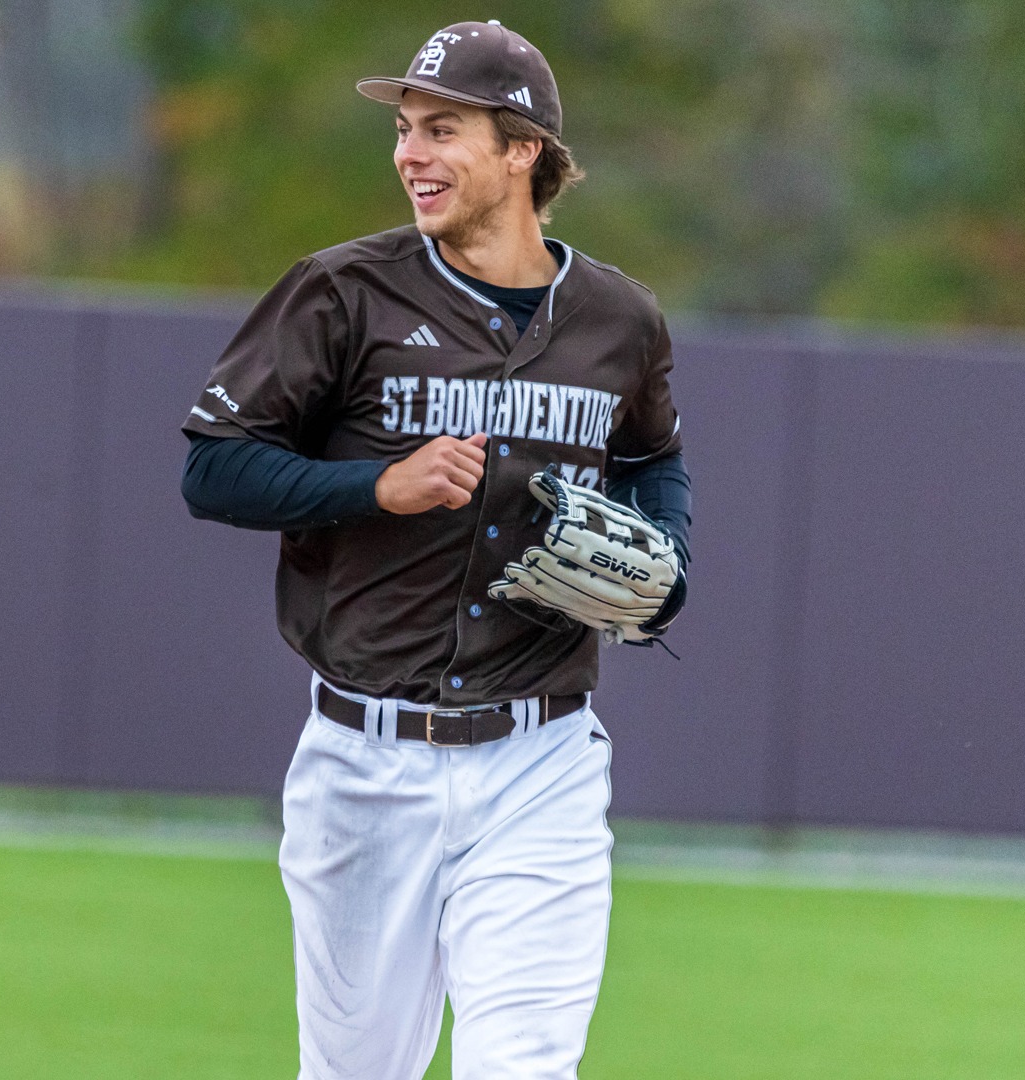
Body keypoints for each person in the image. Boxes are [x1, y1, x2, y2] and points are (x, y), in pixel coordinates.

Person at [178, 20, 691, 1080]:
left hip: (540, 757)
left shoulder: (617, 320)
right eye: (406, 130)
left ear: (523, 150)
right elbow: (213, 468)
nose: (410, 153)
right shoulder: (341, 294)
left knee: (523, 1068)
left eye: (442, 129)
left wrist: (665, 566)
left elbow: (653, 462)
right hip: (364, 759)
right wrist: (374, 485)